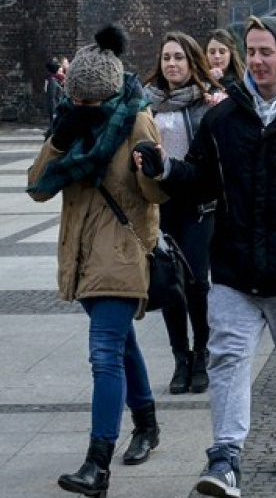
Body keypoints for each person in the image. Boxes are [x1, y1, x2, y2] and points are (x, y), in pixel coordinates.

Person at [132, 15, 276, 496]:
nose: (257, 60)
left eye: (267, 52)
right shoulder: (224, 118)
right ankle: (224, 457)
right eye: (252, 51)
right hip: (235, 268)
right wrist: (165, 169)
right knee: (226, 360)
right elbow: (202, 178)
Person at [30, 25, 167, 497]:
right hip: (82, 254)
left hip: (122, 254)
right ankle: (147, 422)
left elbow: (155, 196)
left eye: (89, 100)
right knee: (122, 344)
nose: (82, 106)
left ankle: (97, 464)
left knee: (104, 353)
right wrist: (58, 141)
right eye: (77, 99)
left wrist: (154, 170)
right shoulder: (70, 122)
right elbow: (37, 188)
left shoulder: (136, 121)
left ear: (107, 92)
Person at [143, 32, 224, 396]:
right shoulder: (148, 102)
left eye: (178, 57)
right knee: (168, 282)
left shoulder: (207, 102)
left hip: (198, 203)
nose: (171, 64)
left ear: (192, 62)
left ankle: (202, 353)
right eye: (166, 58)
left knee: (196, 282)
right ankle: (181, 357)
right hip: (160, 203)